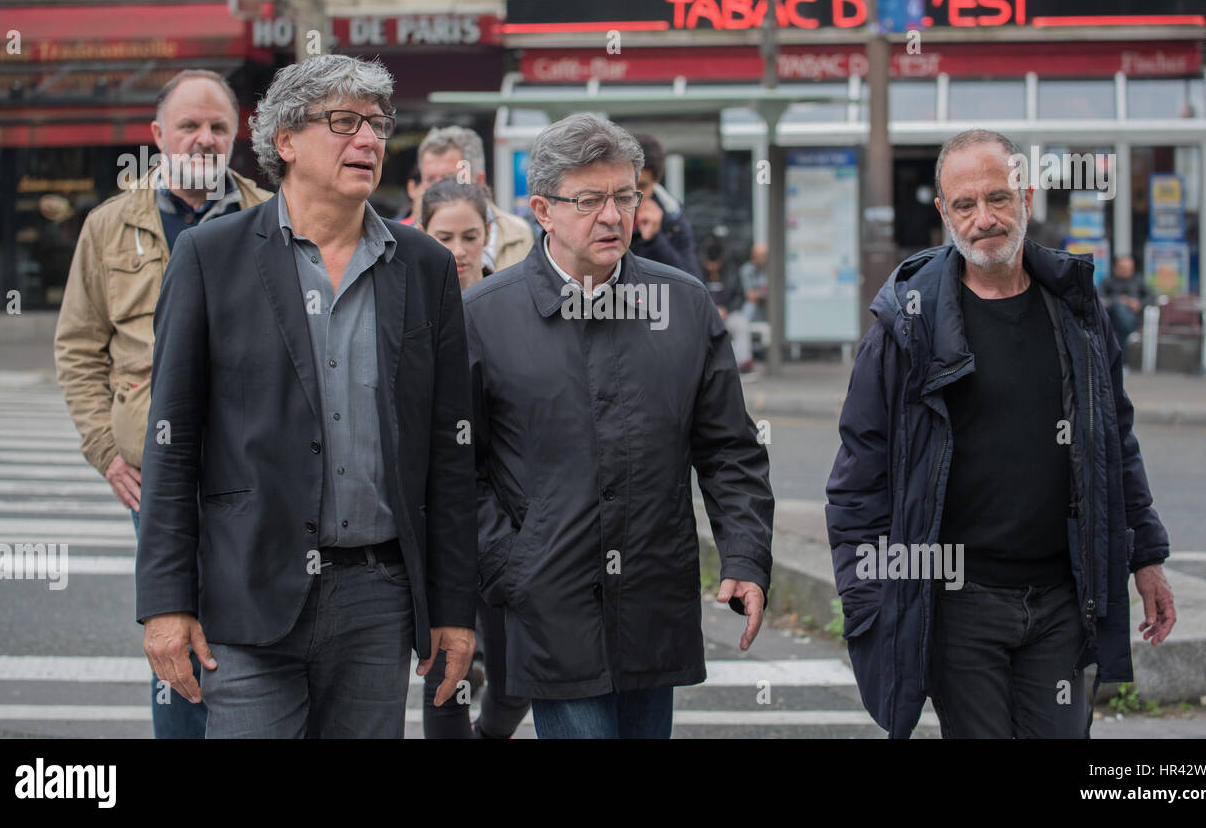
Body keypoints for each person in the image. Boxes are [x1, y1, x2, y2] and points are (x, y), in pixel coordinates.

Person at [135, 54, 478, 738]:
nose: (368, 140)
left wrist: (454, 607)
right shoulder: (211, 257)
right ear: (284, 140)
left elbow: (449, 452)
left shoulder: (424, 267)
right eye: (344, 122)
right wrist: (165, 604)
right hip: (249, 588)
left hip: (377, 597)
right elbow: (170, 444)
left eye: (378, 125)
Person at [825, 128, 1175, 739]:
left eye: (997, 198)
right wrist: (869, 603)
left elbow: (1113, 440)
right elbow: (859, 477)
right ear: (943, 213)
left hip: (1063, 600)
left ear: (1027, 198)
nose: (983, 218)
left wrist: (1145, 556)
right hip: (959, 603)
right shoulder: (906, 327)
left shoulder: (1074, 310)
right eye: (965, 204)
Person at [463, 113, 775, 739]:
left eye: (626, 196)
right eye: (589, 200)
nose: (613, 215)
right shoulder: (483, 317)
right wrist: (512, 566)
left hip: (652, 595)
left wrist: (744, 554)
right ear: (543, 210)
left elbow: (728, 450)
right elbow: (452, 467)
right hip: (548, 599)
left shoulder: (683, 305)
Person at [53, 68, 272, 739]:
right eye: (189, 126)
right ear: (156, 137)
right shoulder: (109, 227)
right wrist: (103, 449)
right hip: (157, 473)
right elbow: (78, 346)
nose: (204, 139)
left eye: (218, 128)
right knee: (173, 625)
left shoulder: (272, 217)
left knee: (253, 624)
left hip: (254, 469)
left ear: (235, 139)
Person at [416, 178, 533, 740]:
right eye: (444, 236)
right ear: (422, 233)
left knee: (516, 678)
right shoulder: (409, 304)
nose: (457, 250)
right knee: (445, 671)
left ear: (489, 236)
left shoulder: (512, 306)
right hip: (435, 516)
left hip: (505, 516)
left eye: (469, 236)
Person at [417, 126, 533, 271]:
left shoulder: (519, 233)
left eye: (451, 179)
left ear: (479, 179)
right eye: (430, 179)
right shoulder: (404, 238)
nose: (440, 189)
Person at [629, 131, 700, 279]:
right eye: (627, 186)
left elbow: (690, 283)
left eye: (642, 185)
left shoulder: (673, 219)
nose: (633, 194)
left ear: (656, 182)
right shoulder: (604, 215)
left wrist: (654, 239)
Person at [700, 237, 753, 373]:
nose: (712, 268)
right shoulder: (698, 271)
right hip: (705, 316)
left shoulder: (731, 272)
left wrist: (727, 309)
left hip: (727, 315)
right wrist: (710, 310)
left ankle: (744, 363)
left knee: (741, 323)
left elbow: (739, 296)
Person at [1100, 255, 1152, 352]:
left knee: (1122, 327)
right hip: (1111, 317)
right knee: (1118, 308)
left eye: (1129, 268)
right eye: (1123, 268)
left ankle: (1121, 361)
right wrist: (1119, 300)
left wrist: (1139, 303)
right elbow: (1100, 299)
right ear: (1115, 268)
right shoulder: (1108, 281)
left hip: (1132, 317)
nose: (1126, 271)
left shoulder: (1138, 281)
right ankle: (1128, 333)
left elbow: (1151, 297)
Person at [739, 243, 769, 324]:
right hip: (753, 308)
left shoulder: (771, 269)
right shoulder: (747, 269)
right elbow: (750, 296)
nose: (761, 259)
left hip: (768, 307)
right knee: (750, 306)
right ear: (753, 256)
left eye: (764, 256)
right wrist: (765, 294)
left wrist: (760, 294)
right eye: (758, 256)